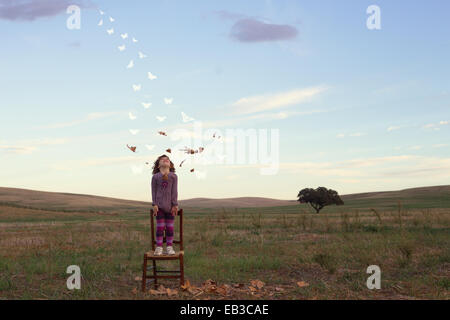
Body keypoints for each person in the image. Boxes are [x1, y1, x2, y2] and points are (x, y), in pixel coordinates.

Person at [151, 154, 179, 255]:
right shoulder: (155, 177)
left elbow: (174, 191)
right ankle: (159, 247)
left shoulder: (173, 176)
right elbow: (153, 191)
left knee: (170, 228)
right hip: (159, 207)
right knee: (160, 227)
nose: (165, 160)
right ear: (159, 165)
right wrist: (154, 204)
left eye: (167, 159)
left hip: (170, 207)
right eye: (162, 159)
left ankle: (169, 247)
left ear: (170, 165)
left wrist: (175, 205)